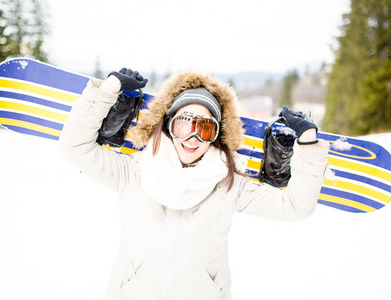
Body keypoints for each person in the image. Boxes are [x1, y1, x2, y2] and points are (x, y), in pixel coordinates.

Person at [59, 68, 330, 300]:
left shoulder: (229, 185)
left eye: (205, 129)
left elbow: (296, 206)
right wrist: (107, 91)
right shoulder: (133, 172)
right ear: (168, 125)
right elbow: (75, 146)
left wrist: (307, 144)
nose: (193, 138)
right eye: (184, 125)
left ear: (216, 136)